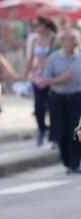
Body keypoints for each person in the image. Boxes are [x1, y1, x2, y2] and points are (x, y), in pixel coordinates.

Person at [42, 29, 81, 174]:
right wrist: (60, 79)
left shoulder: (80, 57)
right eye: (71, 39)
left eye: (76, 39)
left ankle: (75, 164)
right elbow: (45, 79)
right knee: (62, 132)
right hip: (59, 99)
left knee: (76, 130)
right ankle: (67, 162)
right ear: (63, 42)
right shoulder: (54, 58)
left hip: (77, 98)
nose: (74, 42)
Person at [25, 16, 58, 146]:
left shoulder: (54, 38)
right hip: (38, 76)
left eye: (37, 24)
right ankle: (42, 129)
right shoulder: (35, 40)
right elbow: (30, 58)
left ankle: (54, 136)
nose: (35, 27)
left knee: (52, 107)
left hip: (52, 77)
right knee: (38, 108)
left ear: (44, 25)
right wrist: (26, 72)